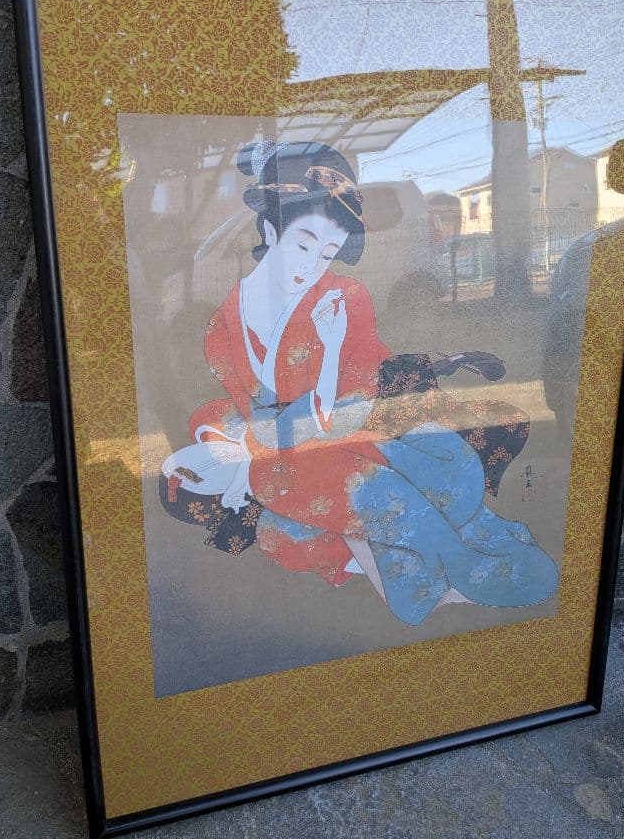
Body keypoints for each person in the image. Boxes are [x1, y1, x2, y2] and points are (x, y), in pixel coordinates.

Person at [161, 139, 558, 626]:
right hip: (293, 458)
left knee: (388, 487)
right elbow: (242, 417)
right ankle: (416, 581)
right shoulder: (222, 328)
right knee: (279, 529)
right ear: (270, 227)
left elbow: (350, 408)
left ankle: (437, 575)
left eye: (327, 252)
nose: (310, 266)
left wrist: (321, 367)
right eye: (302, 243)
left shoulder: (346, 298)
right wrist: (256, 439)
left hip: (370, 438)